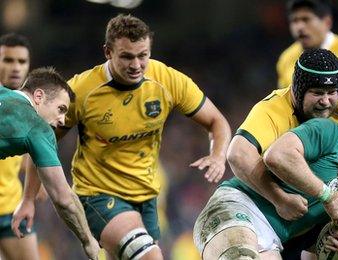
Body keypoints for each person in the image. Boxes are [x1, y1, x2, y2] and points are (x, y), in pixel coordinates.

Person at [12, 14, 232, 260]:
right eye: (127, 56)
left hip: (147, 196)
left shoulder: (167, 80)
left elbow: (217, 122)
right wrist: (29, 198)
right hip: (97, 195)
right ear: (107, 52)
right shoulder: (81, 90)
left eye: (143, 55)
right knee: (151, 257)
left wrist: (218, 154)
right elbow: (42, 141)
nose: (136, 65)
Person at [228, 48, 338, 259]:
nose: (325, 101)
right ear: (298, 90)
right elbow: (238, 154)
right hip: (275, 213)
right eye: (317, 93)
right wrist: (279, 199)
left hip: (319, 215)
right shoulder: (274, 109)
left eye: (331, 92)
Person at [194, 117, 338, 259]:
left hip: (273, 240)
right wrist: (327, 194)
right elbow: (278, 155)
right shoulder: (333, 135)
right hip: (237, 207)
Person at [1, 68, 99, 259]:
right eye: (61, 109)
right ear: (39, 96)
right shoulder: (39, 128)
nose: (62, 120)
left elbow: (35, 157)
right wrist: (88, 240)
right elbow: (64, 199)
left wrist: (28, 199)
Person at [0, 33, 37, 260]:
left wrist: (36, 179)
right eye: (8, 60)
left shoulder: (27, 105)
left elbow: (19, 154)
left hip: (11, 208)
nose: (16, 67)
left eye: (21, 62)